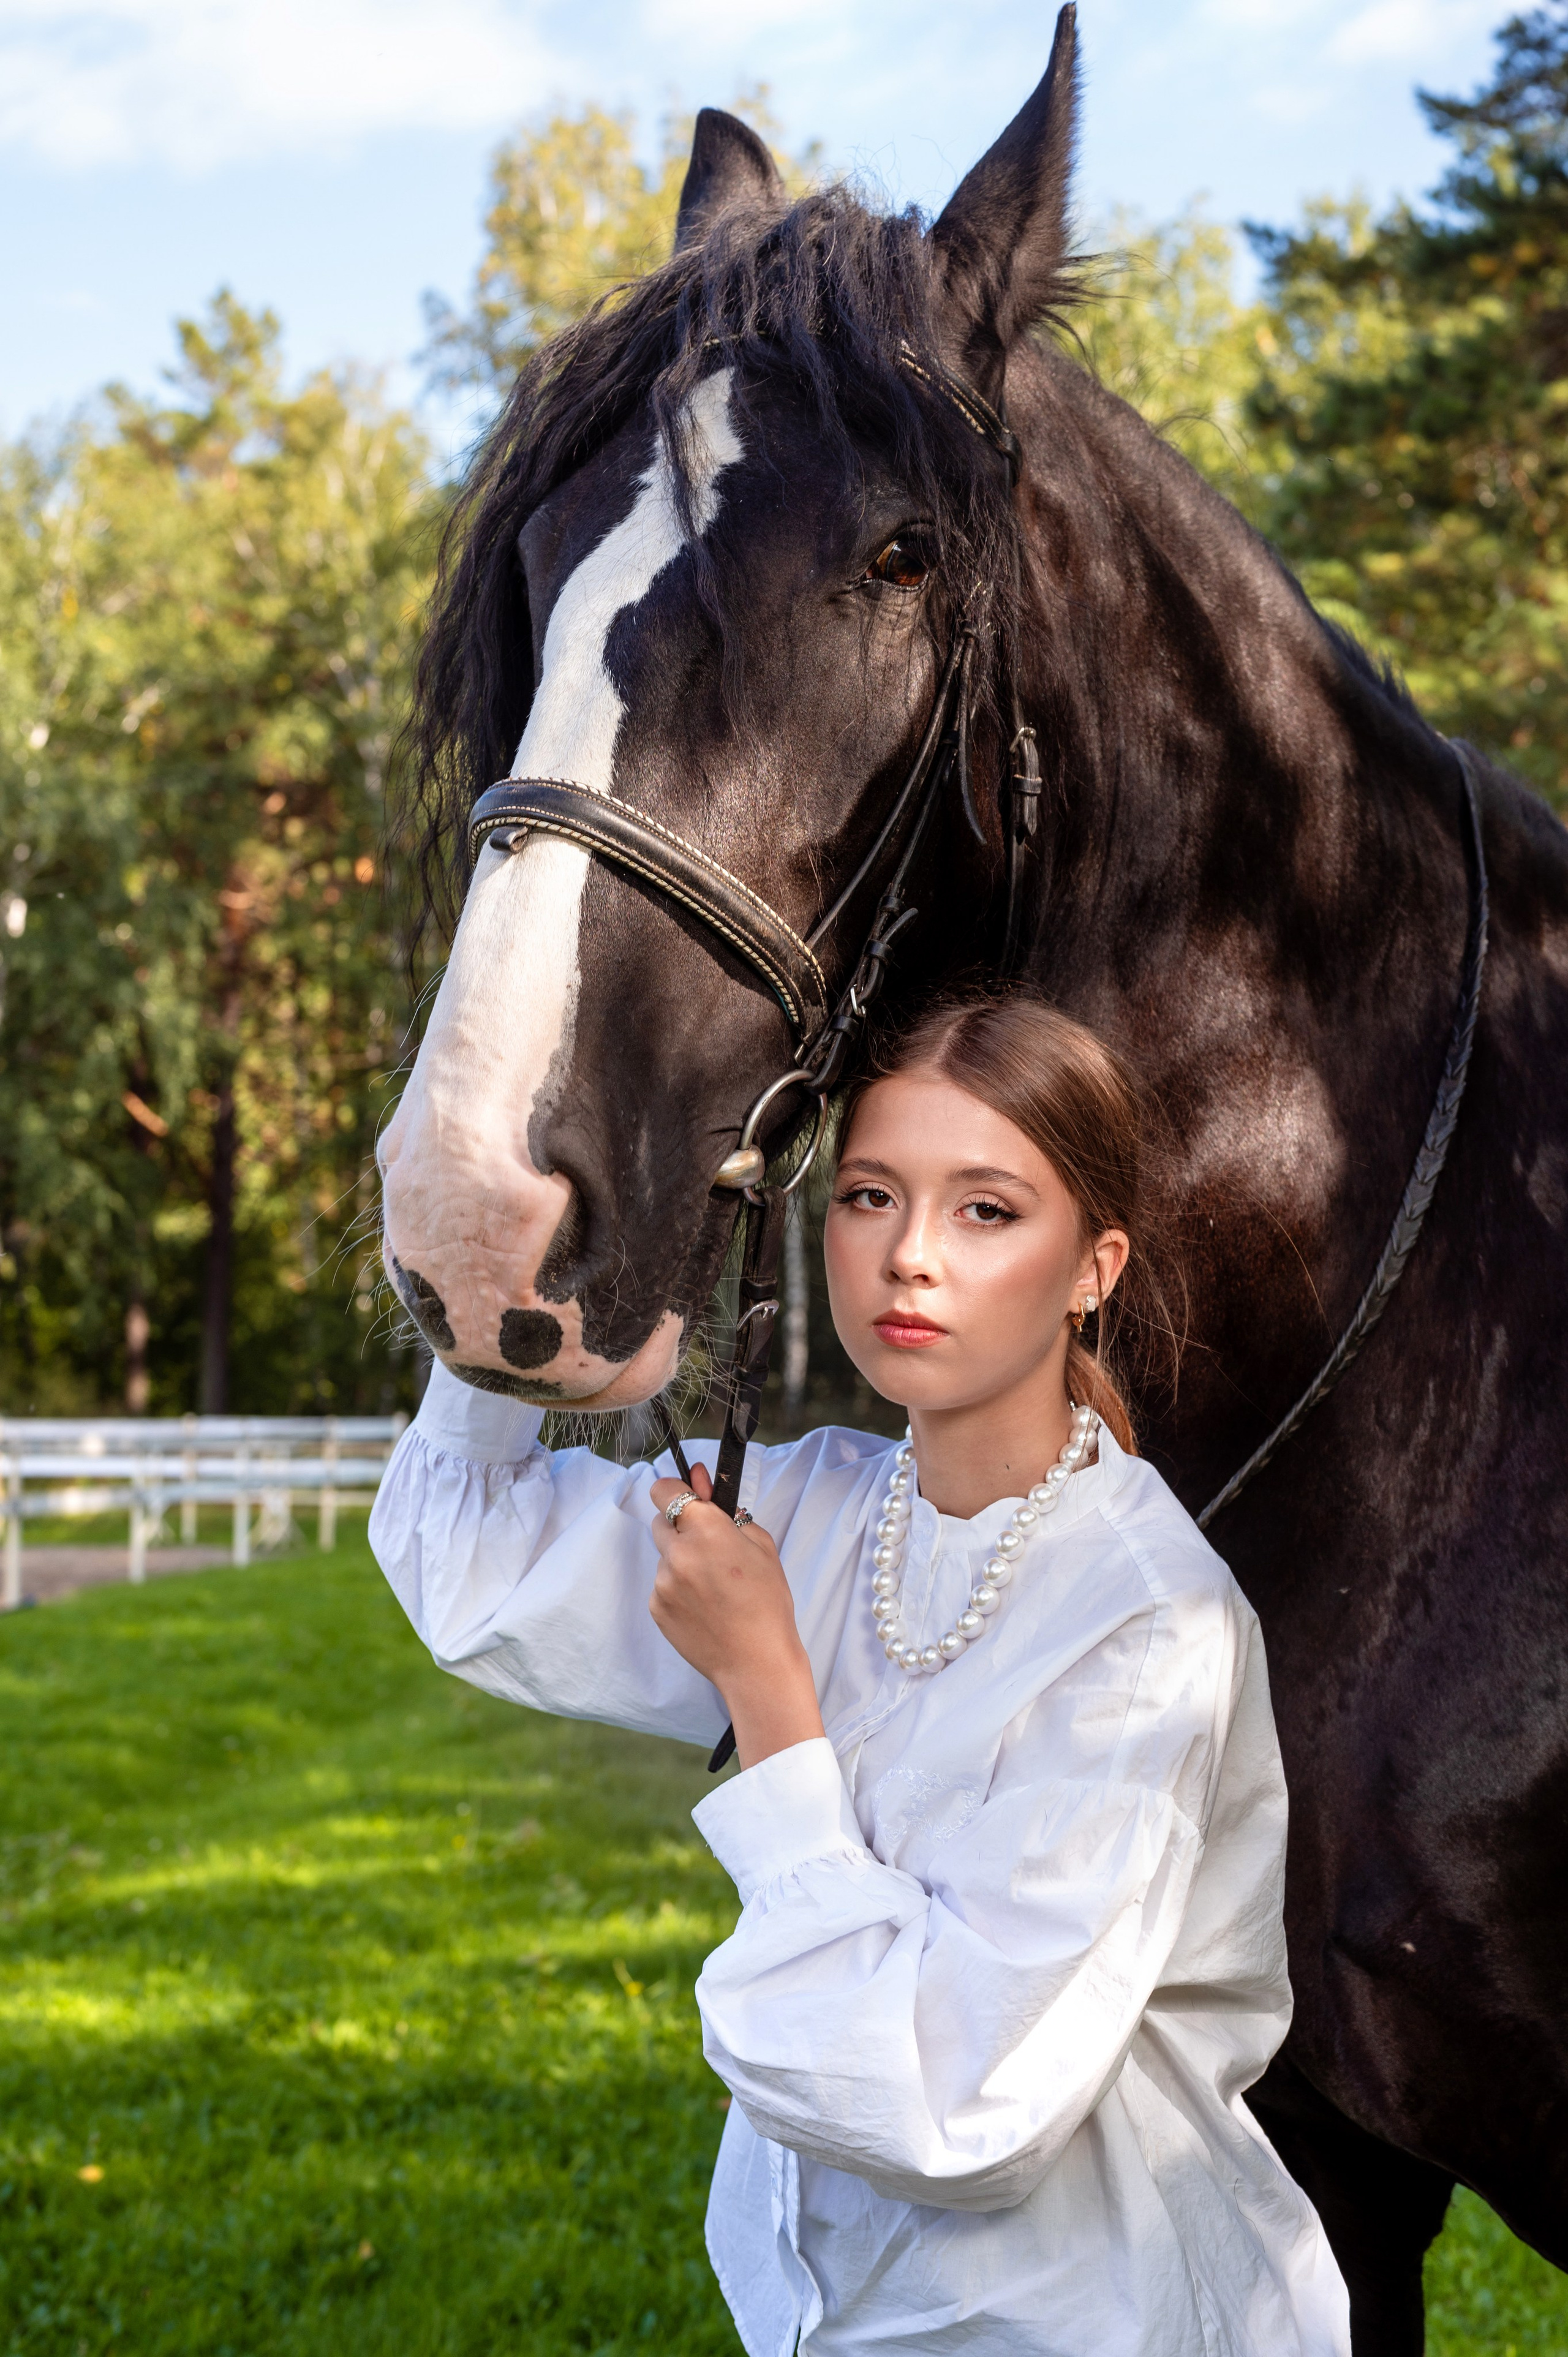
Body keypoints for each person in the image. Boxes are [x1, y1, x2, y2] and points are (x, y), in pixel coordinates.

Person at [369, 987, 1351, 2357]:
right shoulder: (819, 1514)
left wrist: (766, 1687)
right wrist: (499, 1207)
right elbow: (457, 1548)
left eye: (985, 1210)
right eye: (870, 1195)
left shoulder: (1144, 1628)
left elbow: (954, 2108)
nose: (908, 1259)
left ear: (1093, 1266)